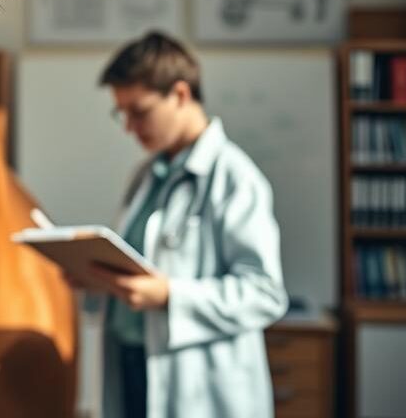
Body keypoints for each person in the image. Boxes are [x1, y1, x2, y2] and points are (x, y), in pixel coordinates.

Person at [73, 31, 288, 418]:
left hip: (198, 389)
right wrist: (91, 274)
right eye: (121, 114)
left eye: (139, 112)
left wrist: (170, 295)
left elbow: (265, 294)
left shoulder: (235, 178)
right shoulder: (145, 175)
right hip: (132, 366)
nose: (129, 128)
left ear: (181, 95)